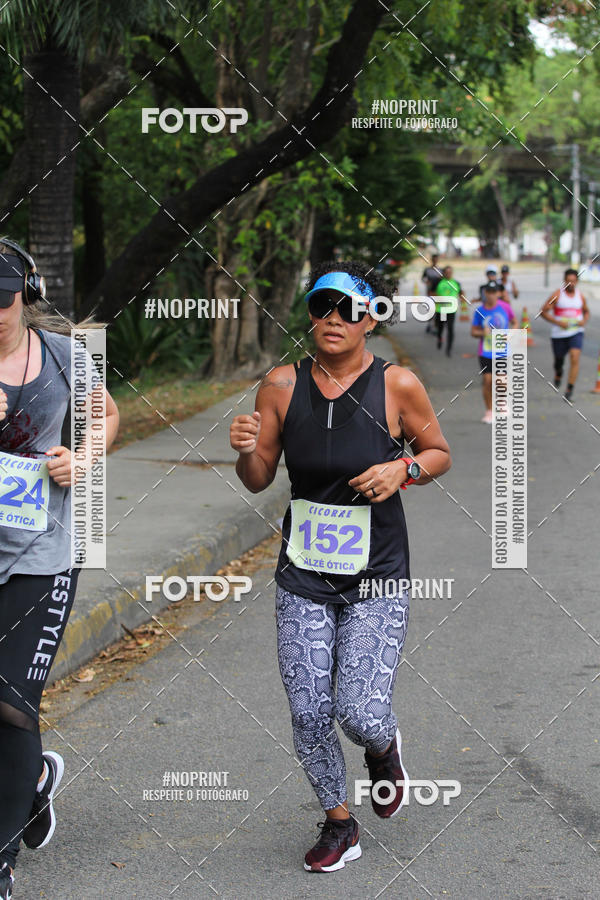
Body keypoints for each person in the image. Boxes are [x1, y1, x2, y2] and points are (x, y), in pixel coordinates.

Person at [230, 262, 451, 873]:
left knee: (358, 709)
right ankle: (338, 823)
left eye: (350, 309)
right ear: (310, 315)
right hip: (304, 572)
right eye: (324, 307)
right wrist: (246, 450)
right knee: (307, 709)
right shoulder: (279, 385)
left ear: (370, 318)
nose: (335, 319)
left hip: (376, 573)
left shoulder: (396, 385)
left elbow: (438, 452)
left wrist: (400, 469)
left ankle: (383, 749)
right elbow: (258, 479)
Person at [0, 239, 119, 900]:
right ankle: (34, 783)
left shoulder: (61, 355)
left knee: (12, 704)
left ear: (28, 294)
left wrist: (84, 455)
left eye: (4, 299)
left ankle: (1, 860)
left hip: (41, 556)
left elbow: (105, 416)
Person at [540, 268, 589, 401]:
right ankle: (558, 373)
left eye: (573, 281)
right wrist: (558, 322)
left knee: (575, 357)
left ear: (577, 281)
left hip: (576, 332)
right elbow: (543, 312)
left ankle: (569, 390)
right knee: (559, 360)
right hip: (559, 334)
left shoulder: (581, 296)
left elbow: (586, 311)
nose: (571, 284)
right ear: (564, 281)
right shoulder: (557, 295)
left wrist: (583, 321)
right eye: (568, 281)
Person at [471, 281, 517, 423]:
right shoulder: (480, 311)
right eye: (488, 292)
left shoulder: (505, 307)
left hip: (502, 350)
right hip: (485, 351)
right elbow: (473, 332)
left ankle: (502, 403)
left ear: (498, 293)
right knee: (487, 380)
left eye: (493, 292)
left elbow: (515, 322)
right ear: (485, 293)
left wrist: (511, 334)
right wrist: (482, 333)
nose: (491, 295)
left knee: (501, 380)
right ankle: (489, 411)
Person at [433, 264, 463, 356]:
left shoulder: (456, 283)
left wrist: (462, 300)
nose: (449, 274)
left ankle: (449, 349)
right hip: (440, 310)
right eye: (447, 272)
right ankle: (439, 339)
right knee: (440, 328)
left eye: (450, 272)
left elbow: (461, 293)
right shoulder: (438, 282)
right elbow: (431, 293)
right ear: (444, 273)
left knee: (450, 329)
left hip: (451, 310)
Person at [422, 252, 443, 334]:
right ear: (432, 260)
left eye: (436, 259)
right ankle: (430, 325)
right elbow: (423, 278)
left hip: (438, 292)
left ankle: (436, 326)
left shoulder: (441, 270)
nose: (435, 261)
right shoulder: (427, 270)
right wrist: (426, 282)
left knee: (437, 310)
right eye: (434, 259)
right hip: (430, 291)